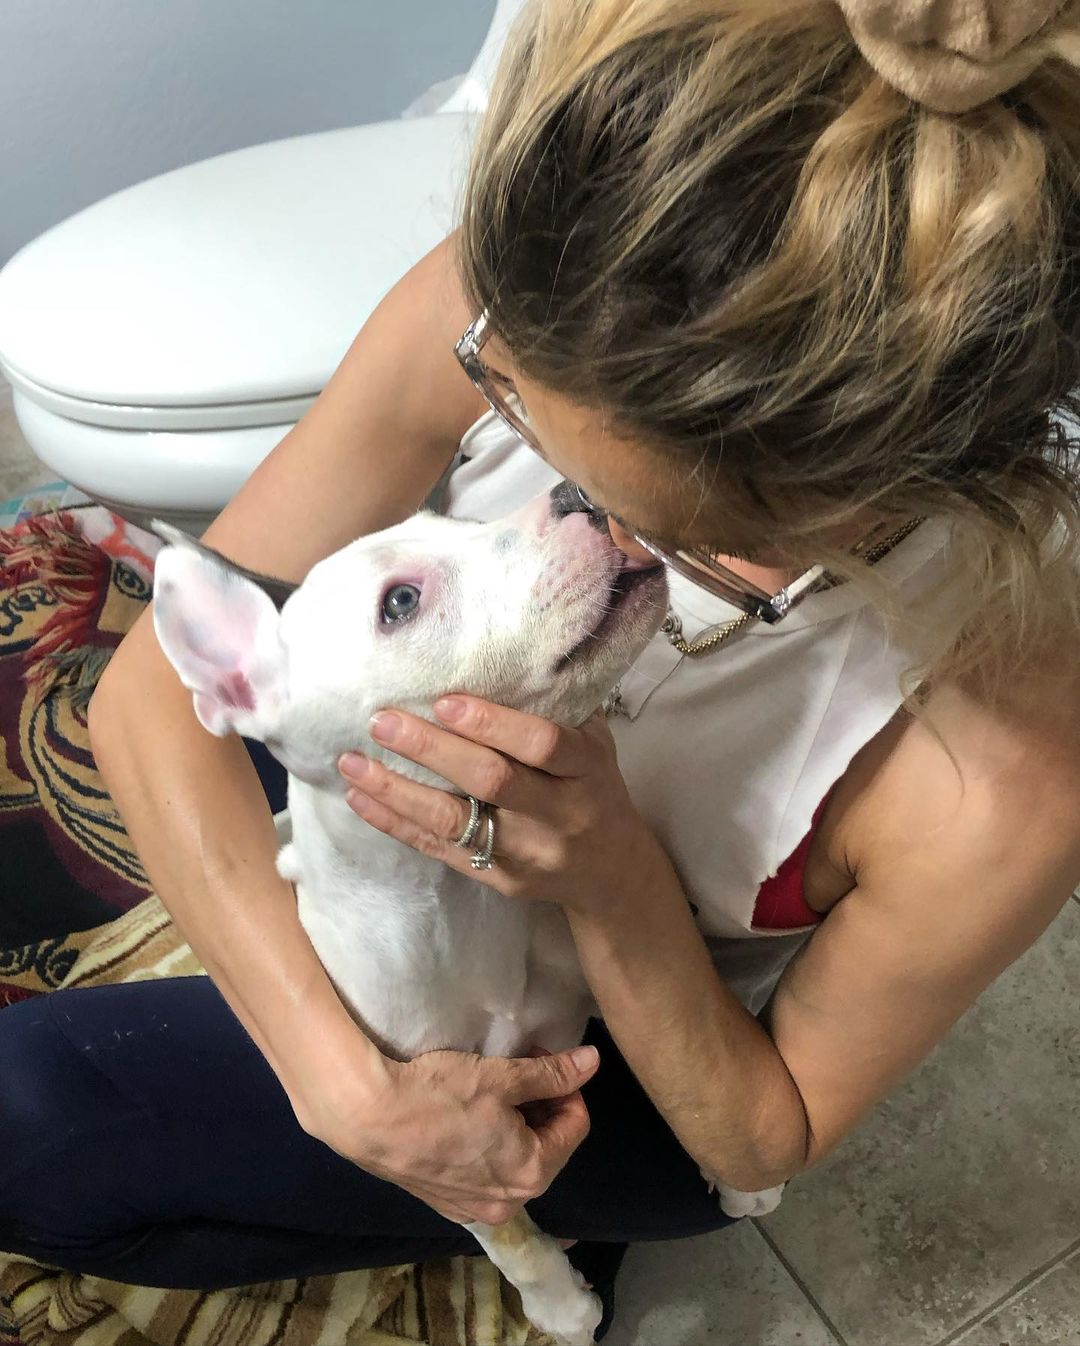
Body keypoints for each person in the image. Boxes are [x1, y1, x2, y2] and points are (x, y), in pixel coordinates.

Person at [2, 0, 1079, 1338]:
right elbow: (156, 698)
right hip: (402, 938)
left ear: (838, 517)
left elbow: (766, 1136)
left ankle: (555, 1234)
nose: (562, 518)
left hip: (620, 1062)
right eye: (512, 406)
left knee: (31, 1128)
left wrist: (613, 874)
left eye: (665, 534)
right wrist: (343, 1087)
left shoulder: (1014, 764)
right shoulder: (540, 302)